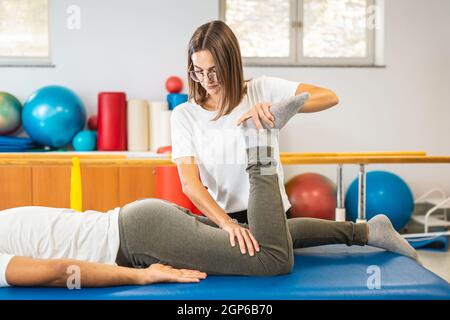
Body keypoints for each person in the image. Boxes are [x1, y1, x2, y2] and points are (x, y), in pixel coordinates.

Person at [0, 95, 418, 289]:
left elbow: (58, 272)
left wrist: (142, 275)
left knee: (271, 260)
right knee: (254, 237)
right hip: (135, 218)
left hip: (139, 239)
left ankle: (260, 144)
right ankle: (366, 231)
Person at [171, 20, 342, 256]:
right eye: (198, 72)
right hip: (224, 220)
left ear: (230, 63)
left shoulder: (259, 89)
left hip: (273, 214)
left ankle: (364, 233)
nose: (207, 80)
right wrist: (226, 223)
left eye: (213, 70)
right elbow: (190, 184)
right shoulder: (185, 115)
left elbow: (329, 97)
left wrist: (275, 108)